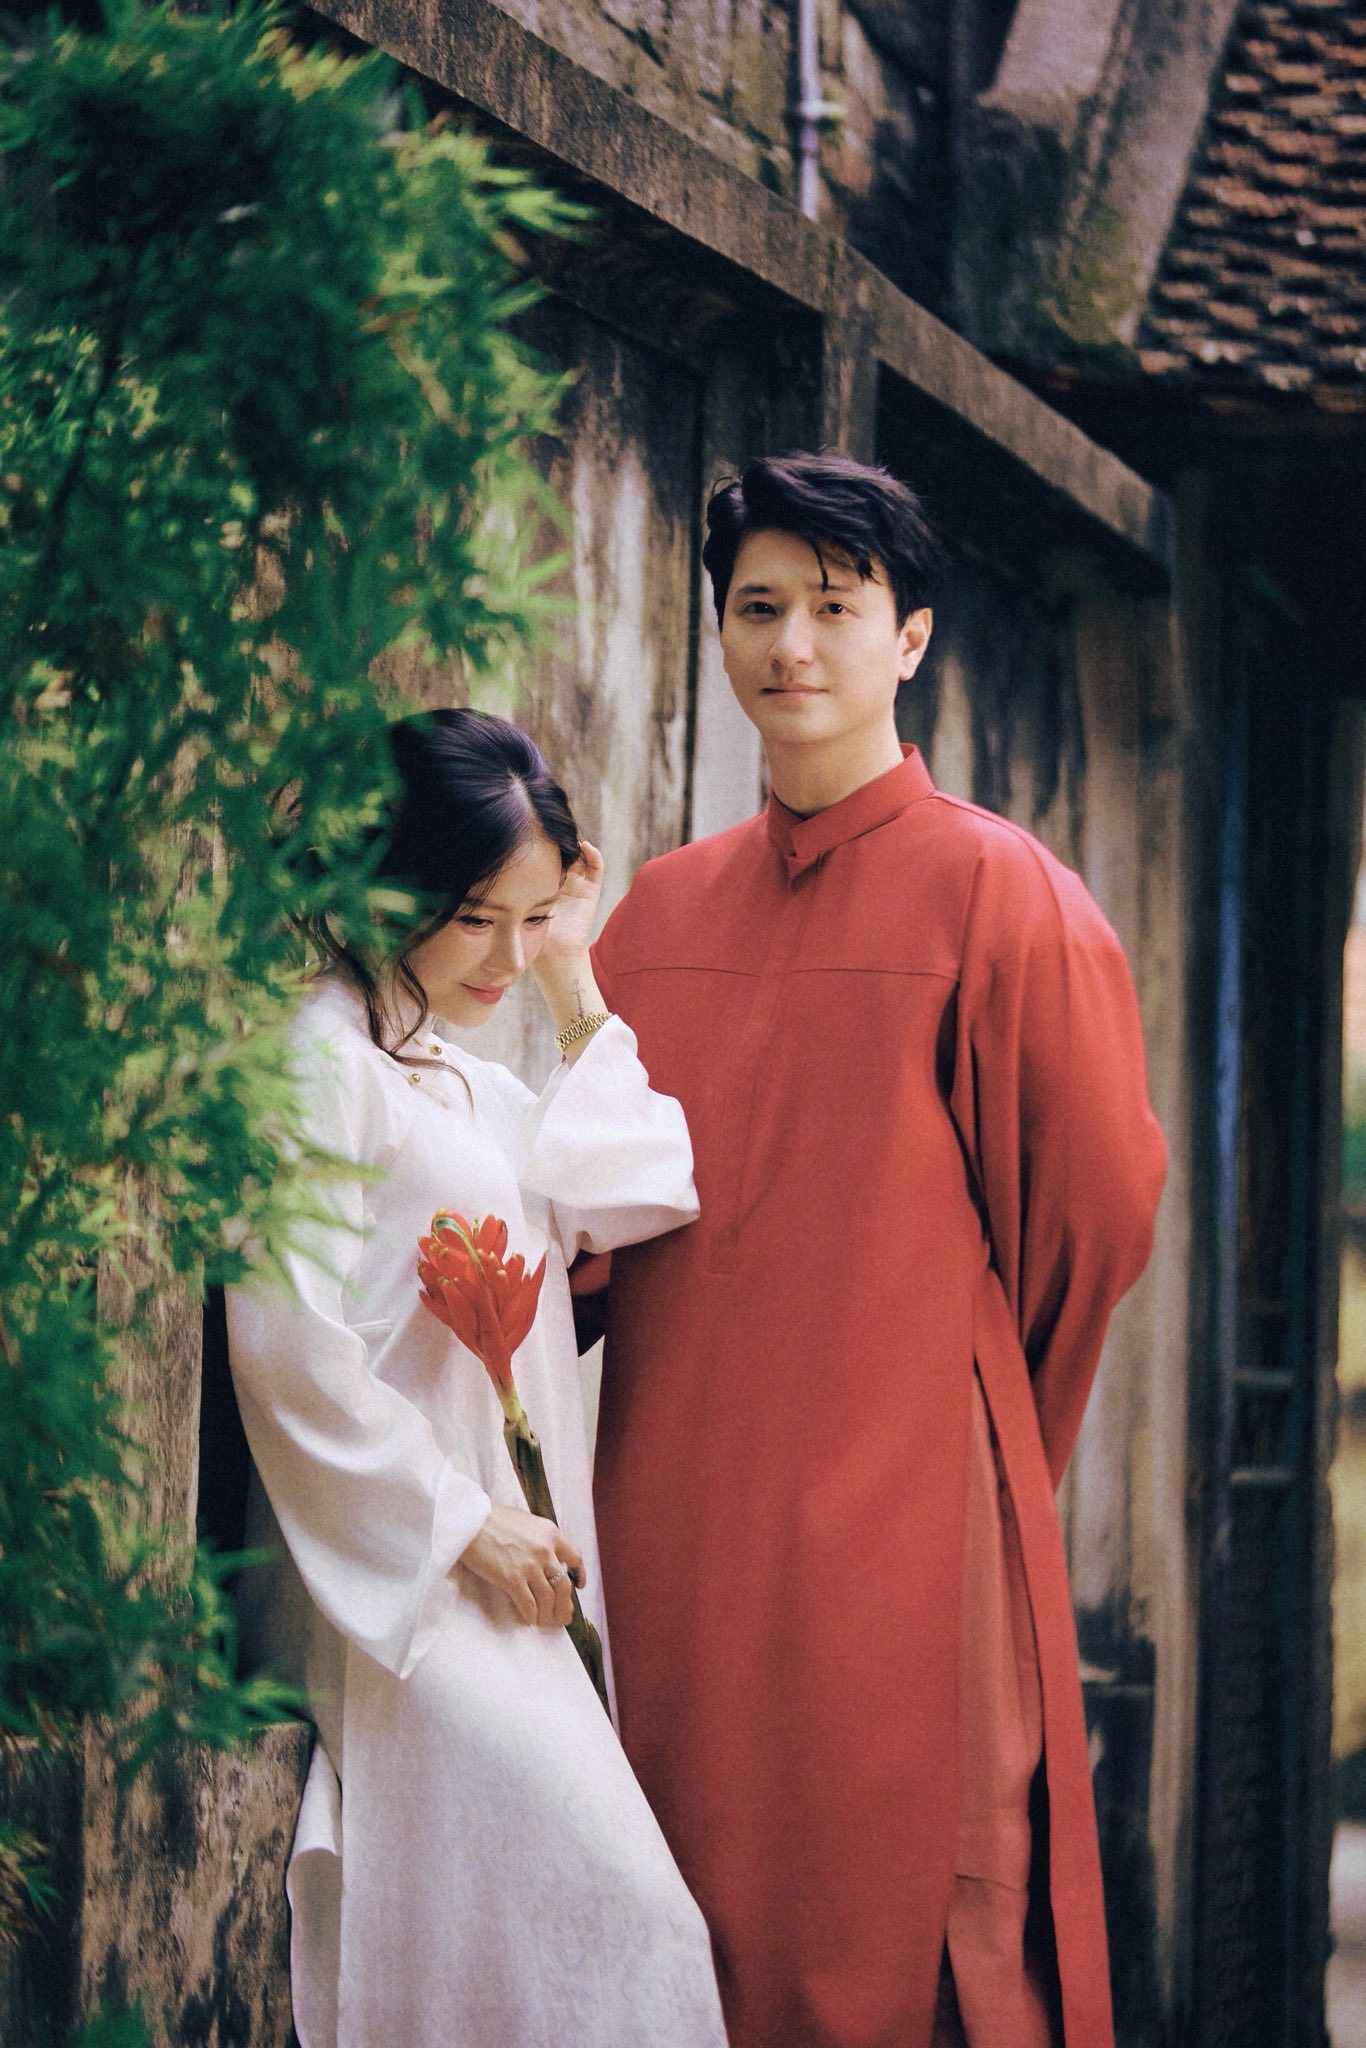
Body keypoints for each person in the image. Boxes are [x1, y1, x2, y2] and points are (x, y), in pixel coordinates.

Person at [585, 451, 1168, 2048]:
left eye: (834, 608)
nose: (791, 645)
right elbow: (590, 1229)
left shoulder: (1001, 896)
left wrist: (971, 1433)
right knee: (678, 1892)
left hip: (907, 1508)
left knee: (906, 1907)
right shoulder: (653, 918)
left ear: (909, 637)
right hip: (675, 1509)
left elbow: (1092, 1218)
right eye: (756, 607)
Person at [225, 709, 729, 2048]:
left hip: (496, 1579)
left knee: (594, 1944)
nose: (504, 955)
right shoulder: (316, 1061)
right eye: (473, 920)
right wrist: (459, 1525)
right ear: (383, 889)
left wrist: (570, 973)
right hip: (390, 1581)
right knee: (628, 1920)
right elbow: (287, 1342)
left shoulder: (455, 1076)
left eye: (531, 917)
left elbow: (641, 1187)